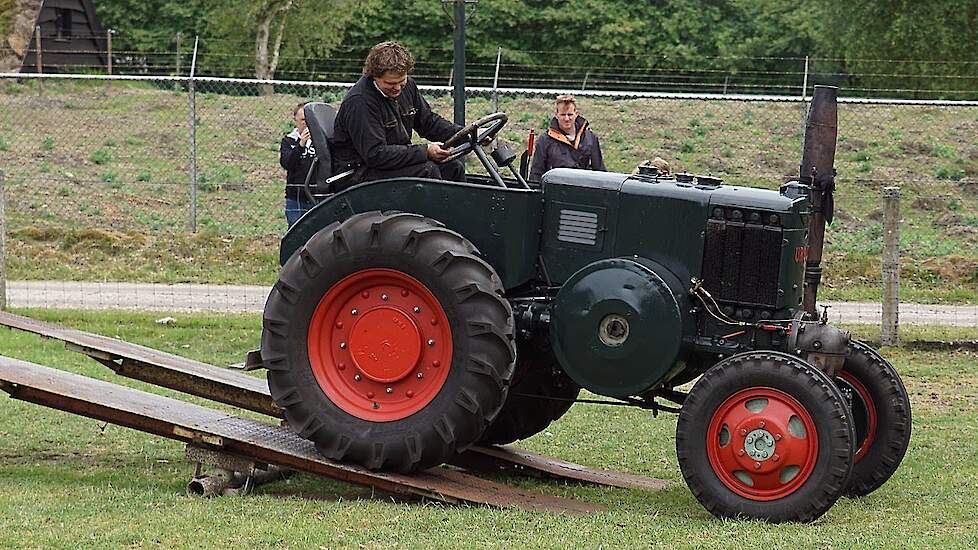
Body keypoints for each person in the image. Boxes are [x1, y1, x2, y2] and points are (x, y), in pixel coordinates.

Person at [331, 41, 465, 186]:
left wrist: (466, 134)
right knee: (427, 171)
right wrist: (425, 151)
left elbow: (429, 123)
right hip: (358, 174)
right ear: (374, 76)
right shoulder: (360, 102)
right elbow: (375, 154)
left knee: (453, 168)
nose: (397, 88)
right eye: (390, 84)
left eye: (401, 81)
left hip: (388, 165)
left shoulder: (408, 87)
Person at [529, 95, 606, 182]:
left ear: (576, 114)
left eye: (570, 114)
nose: (566, 119)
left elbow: (600, 170)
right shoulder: (544, 140)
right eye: (563, 115)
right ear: (556, 115)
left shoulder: (591, 138)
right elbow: (536, 172)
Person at [280, 102, 317, 227]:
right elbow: (287, 163)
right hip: (295, 197)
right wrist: (300, 145)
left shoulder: (322, 140)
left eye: (308, 120)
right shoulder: (288, 141)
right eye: (302, 120)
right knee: (296, 233)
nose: (305, 123)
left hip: (316, 195)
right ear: (295, 120)